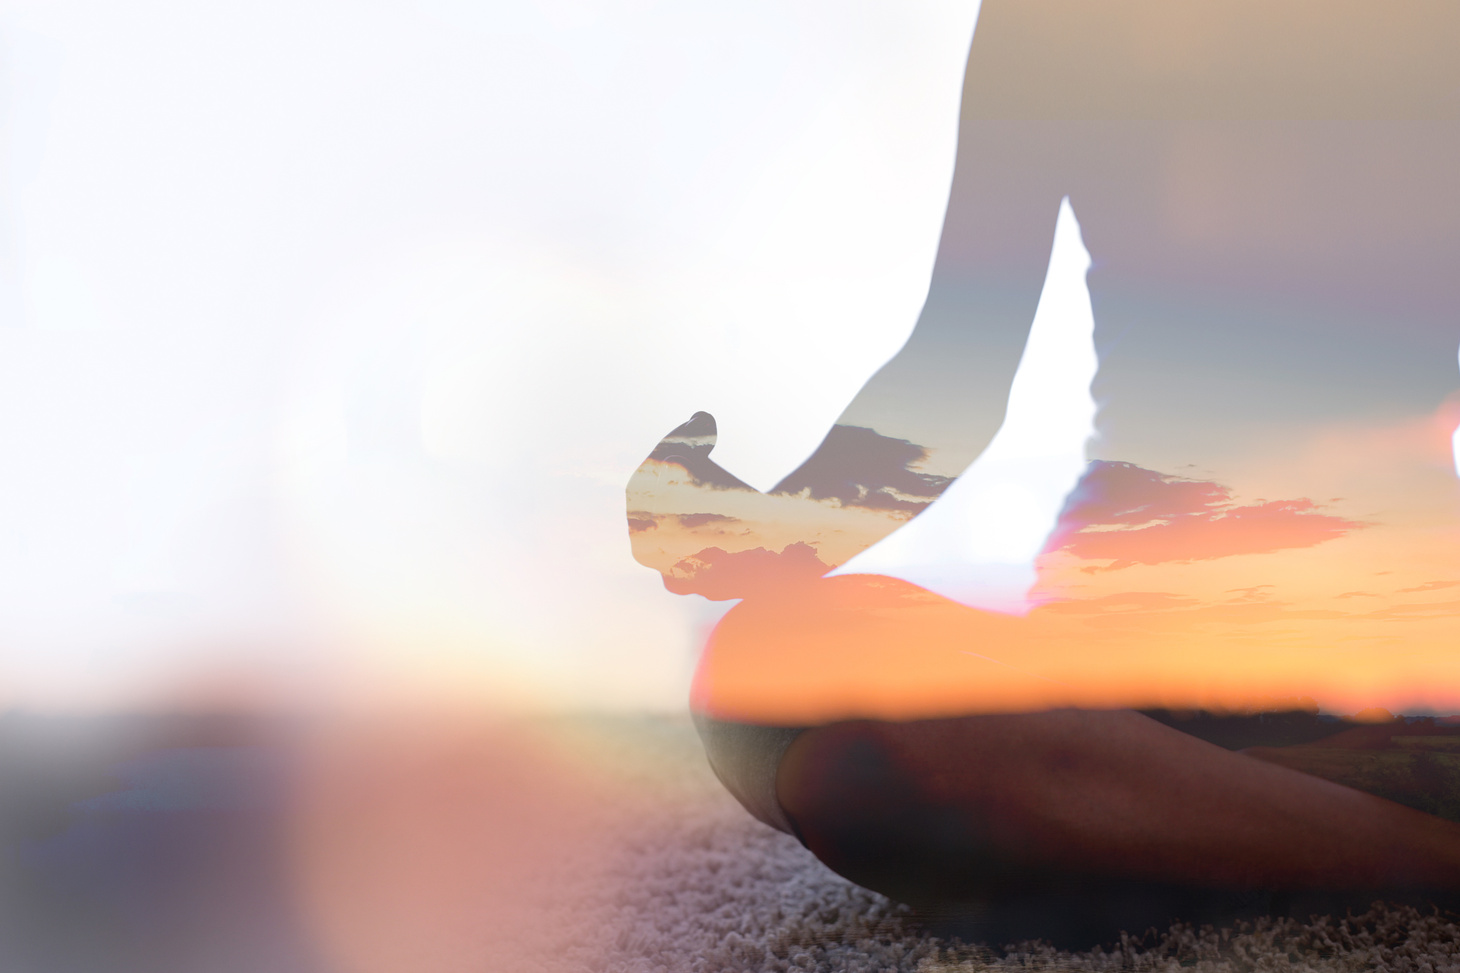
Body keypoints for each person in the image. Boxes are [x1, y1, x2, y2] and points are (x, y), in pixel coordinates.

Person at [625, 0, 1460, 924]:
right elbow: (962, 363)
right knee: (762, 669)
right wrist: (778, 536)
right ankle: (1349, 826)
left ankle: (1164, 810)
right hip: (1133, 651)